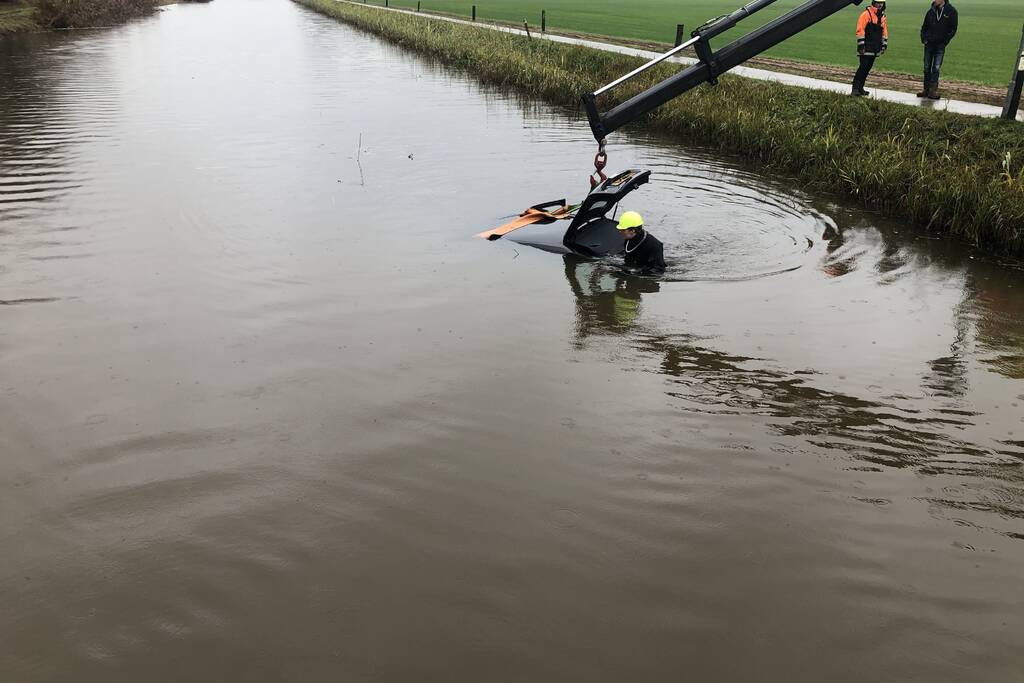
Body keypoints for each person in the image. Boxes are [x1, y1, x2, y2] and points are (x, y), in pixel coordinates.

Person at [918, 0, 958, 100]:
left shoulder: (951, 12)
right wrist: (924, 39)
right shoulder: (930, 12)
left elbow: (953, 29)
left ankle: (933, 91)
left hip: (940, 45)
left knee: (936, 67)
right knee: (927, 67)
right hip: (929, 44)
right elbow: (924, 27)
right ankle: (926, 90)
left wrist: (945, 41)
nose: (934, 0)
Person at [852, 0, 889, 96]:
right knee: (862, 67)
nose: (880, 5)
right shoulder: (866, 14)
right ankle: (855, 89)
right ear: (873, 3)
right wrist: (861, 45)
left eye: (882, 3)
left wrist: (884, 44)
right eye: (878, 3)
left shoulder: (883, 17)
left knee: (867, 68)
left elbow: (884, 32)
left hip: (875, 47)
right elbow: (860, 30)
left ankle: (860, 88)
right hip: (865, 47)